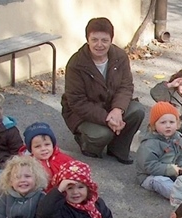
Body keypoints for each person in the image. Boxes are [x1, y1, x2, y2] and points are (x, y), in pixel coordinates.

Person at [61, 17, 145, 165]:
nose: (99, 45)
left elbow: (126, 86)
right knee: (101, 134)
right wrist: (108, 118)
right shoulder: (76, 64)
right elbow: (77, 102)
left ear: (111, 40)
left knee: (137, 111)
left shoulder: (120, 56)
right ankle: (86, 143)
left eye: (104, 40)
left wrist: (118, 110)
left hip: (110, 106)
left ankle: (118, 148)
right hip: (83, 113)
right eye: (94, 40)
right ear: (87, 39)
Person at [136, 102, 182, 199]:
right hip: (150, 176)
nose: (168, 126)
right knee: (161, 182)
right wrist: (168, 169)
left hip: (174, 172)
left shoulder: (178, 137)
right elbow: (148, 166)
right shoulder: (149, 143)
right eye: (163, 122)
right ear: (154, 125)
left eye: (172, 122)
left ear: (177, 124)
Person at [19, 122, 74, 191]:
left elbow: (76, 171)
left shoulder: (64, 160)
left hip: (62, 192)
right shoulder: (27, 164)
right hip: (38, 195)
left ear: (52, 144)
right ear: (31, 149)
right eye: (37, 146)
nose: (43, 149)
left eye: (47, 144)